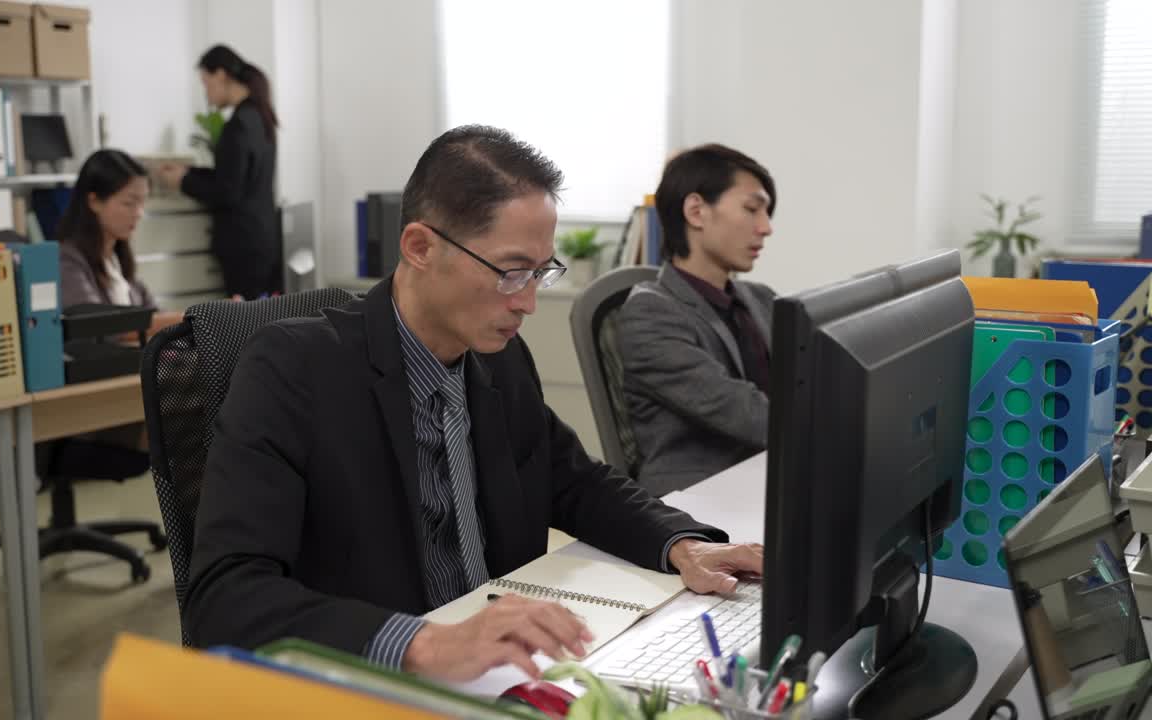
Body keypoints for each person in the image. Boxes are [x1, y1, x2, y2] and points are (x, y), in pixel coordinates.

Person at [186, 125, 763, 683]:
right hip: (378, 681)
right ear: (419, 247)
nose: (529, 303)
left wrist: (681, 544)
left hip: (495, 671)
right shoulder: (294, 371)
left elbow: (575, 481)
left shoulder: (496, 359)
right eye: (513, 272)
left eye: (542, 272)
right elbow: (226, 597)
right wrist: (422, 642)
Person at [617, 144, 778, 497]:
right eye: (752, 209)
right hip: (698, 501)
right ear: (696, 211)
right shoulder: (649, 314)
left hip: (768, 482)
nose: (766, 228)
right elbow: (747, 414)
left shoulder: (762, 300)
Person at [156, 44, 281, 299]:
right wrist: (190, 172)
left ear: (221, 75)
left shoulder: (238, 125)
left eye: (206, 82)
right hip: (262, 239)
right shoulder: (260, 117)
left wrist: (183, 181)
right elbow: (234, 176)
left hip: (241, 246)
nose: (207, 93)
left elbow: (228, 191)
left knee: (240, 324)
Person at [58, 149, 182, 335]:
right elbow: (101, 327)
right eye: (129, 203)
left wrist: (218, 315)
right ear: (94, 202)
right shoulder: (66, 260)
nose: (139, 213)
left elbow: (157, 316)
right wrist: (198, 318)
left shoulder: (117, 261)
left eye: (142, 203)